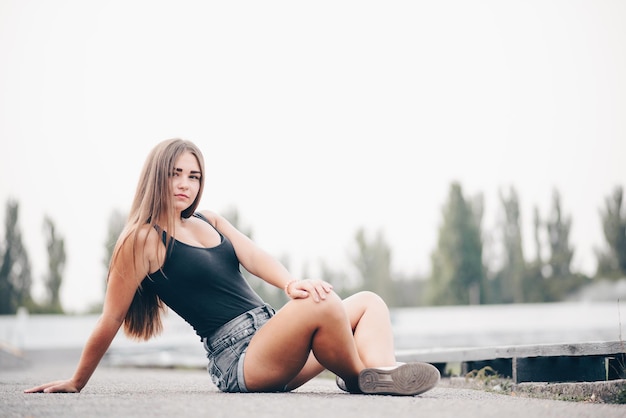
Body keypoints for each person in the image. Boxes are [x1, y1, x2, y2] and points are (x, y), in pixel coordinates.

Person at [25, 138, 440, 396]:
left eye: (193, 175)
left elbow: (256, 257)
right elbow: (110, 317)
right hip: (241, 360)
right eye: (175, 174)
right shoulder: (142, 240)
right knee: (324, 303)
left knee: (369, 302)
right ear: (156, 177)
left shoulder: (210, 221)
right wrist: (76, 380)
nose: (185, 184)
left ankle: (380, 375)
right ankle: (363, 379)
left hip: (273, 338)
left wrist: (292, 282)